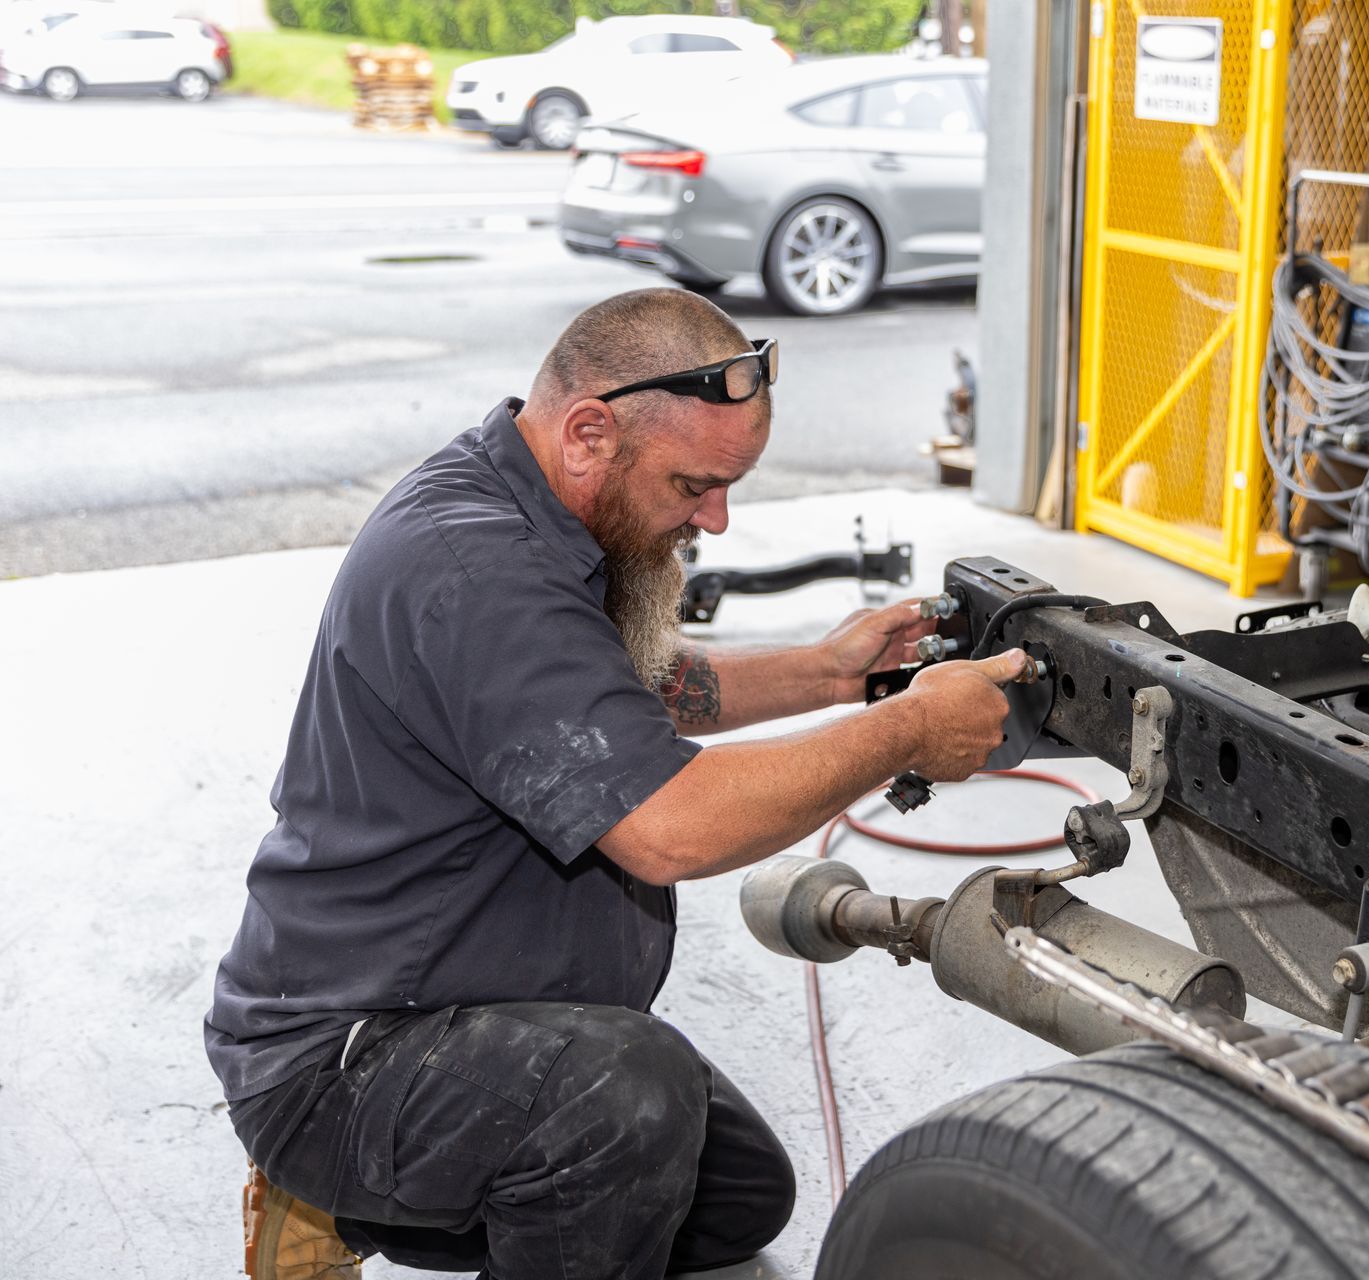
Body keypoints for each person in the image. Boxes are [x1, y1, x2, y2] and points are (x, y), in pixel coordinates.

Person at [206, 288, 1027, 1280]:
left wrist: (836, 670)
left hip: (472, 1003)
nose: (715, 519)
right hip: (351, 1047)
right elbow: (669, 829)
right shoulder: (476, 568)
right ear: (589, 430)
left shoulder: (545, 504)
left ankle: (344, 1208)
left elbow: (651, 682)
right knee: (623, 1101)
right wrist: (906, 727)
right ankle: (326, 1170)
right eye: (694, 483)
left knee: (735, 1196)